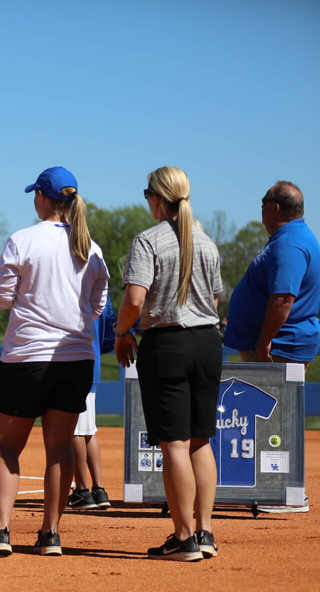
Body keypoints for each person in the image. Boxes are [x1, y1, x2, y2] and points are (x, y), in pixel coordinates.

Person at [0, 168, 108, 557]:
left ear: (42, 198)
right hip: (76, 358)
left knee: (7, 447)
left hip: (26, 357)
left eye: (36, 195)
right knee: (59, 446)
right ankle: (50, 535)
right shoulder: (90, 248)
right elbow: (98, 307)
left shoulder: (23, 239)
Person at [114, 166, 223, 561]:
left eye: (147, 194)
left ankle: (183, 537)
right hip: (209, 343)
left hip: (167, 344)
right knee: (200, 440)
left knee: (173, 442)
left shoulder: (148, 240)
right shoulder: (207, 242)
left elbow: (134, 301)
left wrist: (121, 331)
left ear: (158, 198)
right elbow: (213, 303)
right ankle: (205, 532)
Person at [224, 182, 317, 514]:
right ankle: (278, 490)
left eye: (263, 203)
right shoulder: (289, 238)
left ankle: (286, 494)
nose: (260, 208)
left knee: (277, 421)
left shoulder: (290, 243)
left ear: (275, 208)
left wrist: (264, 342)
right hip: (277, 343)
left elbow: (283, 299)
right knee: (273, 420)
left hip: (279, 345)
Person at [66, 299, 117, 510]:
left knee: (75, 431)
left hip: (71, 363)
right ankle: (99, 490)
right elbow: (110, 332)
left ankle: (82, 491)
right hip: (92, 363)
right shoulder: (102, 289)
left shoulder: (70, 284)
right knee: (88, 430)